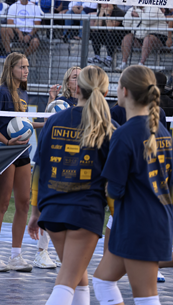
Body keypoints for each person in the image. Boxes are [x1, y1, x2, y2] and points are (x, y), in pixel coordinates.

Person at [92, 66, 173, 305]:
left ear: (125, 91)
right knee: (102, 280)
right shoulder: (160, 130)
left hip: (137, 224)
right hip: (153, 221)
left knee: (146, 298)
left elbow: (115, 189)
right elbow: (172, 182)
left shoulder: (125, 134)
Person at [28, 65, 116, 304]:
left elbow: (38, 169)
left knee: (77, 275)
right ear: (106, 93)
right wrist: (117, 217)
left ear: (76, 88)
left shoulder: (53, 121)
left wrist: (35, 211)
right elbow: (113, 182)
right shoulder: (109, 129)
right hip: (85, 212)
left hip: (53, 210)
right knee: (68, 278)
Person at [0, 53, 44, 272]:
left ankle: (16, 256)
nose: (26, 70)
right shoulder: (1, 93)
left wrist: (44, 123)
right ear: (11, 69)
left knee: (24, 202)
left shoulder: (23, 92)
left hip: (22, 152)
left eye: (27, 66)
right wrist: (6, 142)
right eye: (21, 67)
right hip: (4, 151)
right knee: (3, 202)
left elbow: (22, 124)